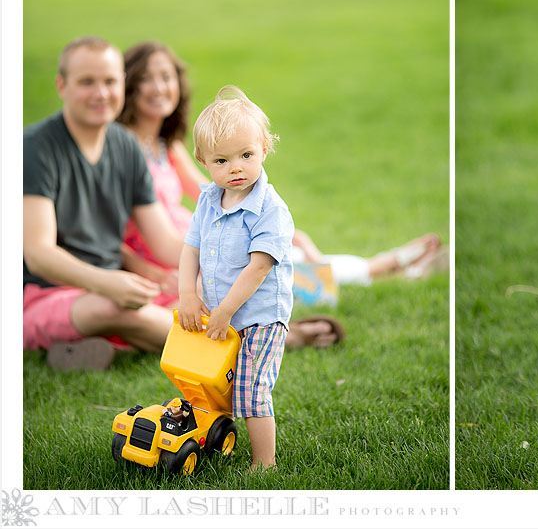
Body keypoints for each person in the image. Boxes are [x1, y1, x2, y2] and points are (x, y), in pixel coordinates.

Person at [116, 41, 445, 347]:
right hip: (177, 253)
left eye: (166, 76)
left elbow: (210, 189)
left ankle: (389, 266)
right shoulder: (122, 148)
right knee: (278, 268)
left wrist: (258, 228)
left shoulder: (167, 145)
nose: (159, 87)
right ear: (129, 86)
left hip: (207, 237)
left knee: (285, 253)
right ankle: (388, 267)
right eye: (147, 79)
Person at [22, 37, 186, 370]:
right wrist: (105, 282)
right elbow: (38, 254)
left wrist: (228, 255)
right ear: (61, 85)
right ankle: (231, 348)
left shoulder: (126, 146)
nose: (101, 93)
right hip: (43, 295)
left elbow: (166, 244)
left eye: (110, 81)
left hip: (112, 288)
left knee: (192, 297)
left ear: (122, 85)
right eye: (87, 82)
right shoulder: (35, 147)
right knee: (112, 308)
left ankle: (98, 347)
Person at [177, 85, 293, 471]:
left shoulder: (270, 210)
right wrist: (188, 296)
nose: (236, 168)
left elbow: (258, 267)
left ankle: (265, 464)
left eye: (246, 155)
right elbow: (190, 249)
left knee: (252, 389)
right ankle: (212, 436)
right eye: (222, 161)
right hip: (222, 313)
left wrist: (225, 310)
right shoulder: (209, 200)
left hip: (259, 316)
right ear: (203, 161)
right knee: (213, 383)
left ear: (264, 148)